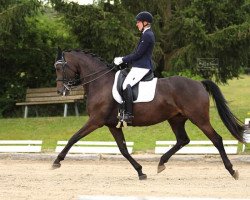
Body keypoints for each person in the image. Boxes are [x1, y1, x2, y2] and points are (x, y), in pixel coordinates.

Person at [114, 11, 155, 123]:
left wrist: (122, 59)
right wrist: (125, 60)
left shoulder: (148, 35)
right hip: (139, 66)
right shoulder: (145, 34)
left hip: (142, 67)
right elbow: (136, 52)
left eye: (138, 22)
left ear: (145, 22)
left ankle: (129, 114)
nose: (137, 24)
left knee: (126, 85)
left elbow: (138, 54)